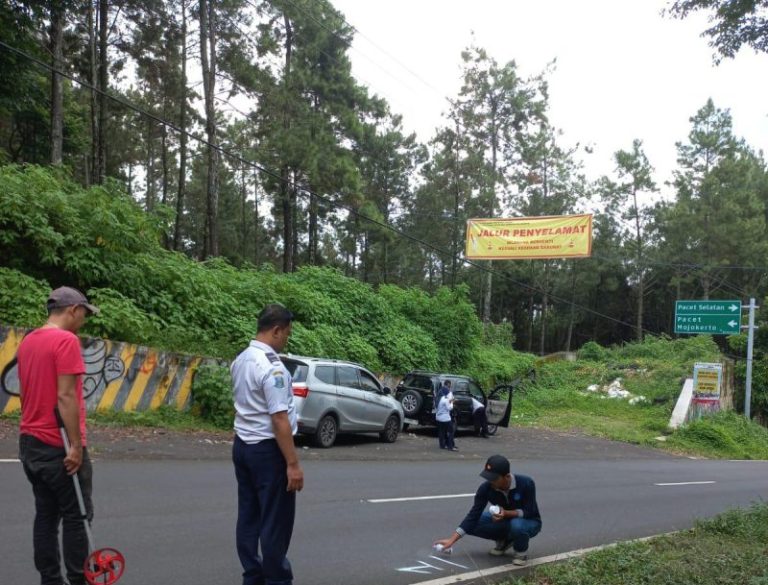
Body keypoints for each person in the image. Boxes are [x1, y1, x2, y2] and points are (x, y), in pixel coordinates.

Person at [17, 286, 99, 585]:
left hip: (29, 441)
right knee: (77, 516)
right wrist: (76, 446)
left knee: (46, 516)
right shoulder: (66, 341)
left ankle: (50, 580)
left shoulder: (28, 341)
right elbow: (65, 397)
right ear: (73, 310)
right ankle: (79, 579)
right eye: (85, 314)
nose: (85, 320)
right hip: (58, 442)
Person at [231, 304, 304, 585]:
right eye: (287, 333)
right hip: (268, 451)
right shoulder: (272, 368)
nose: (287, 338)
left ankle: (253, 575)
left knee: (248, 516)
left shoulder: (241, 359)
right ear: (276, 330)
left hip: (243, 447)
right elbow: (279, 419)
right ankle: (276, 579)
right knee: (275, 521)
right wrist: (293, 464)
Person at [433, 454, 542, 566]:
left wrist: (506, 513)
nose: (491, 481)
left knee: (517, 525)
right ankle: (505, 541)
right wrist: (451, 541)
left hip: (529, 522)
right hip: (505, 520)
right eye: (488, 477)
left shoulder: (526, 483)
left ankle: (520, 552)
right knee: (472, 524)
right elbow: (473, 515)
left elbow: (530, 512)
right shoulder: (485, 488)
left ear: (507, 476)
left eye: (494, 478)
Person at [436, 380, 457, 451]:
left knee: (441, 432)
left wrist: (450, 401)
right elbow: (449, 408)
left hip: (438, 418)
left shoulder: (440, 398)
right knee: (451, 432)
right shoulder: (446, 399)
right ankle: (450, 447)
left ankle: (442, 445)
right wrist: (452, 402)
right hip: (445, 418)